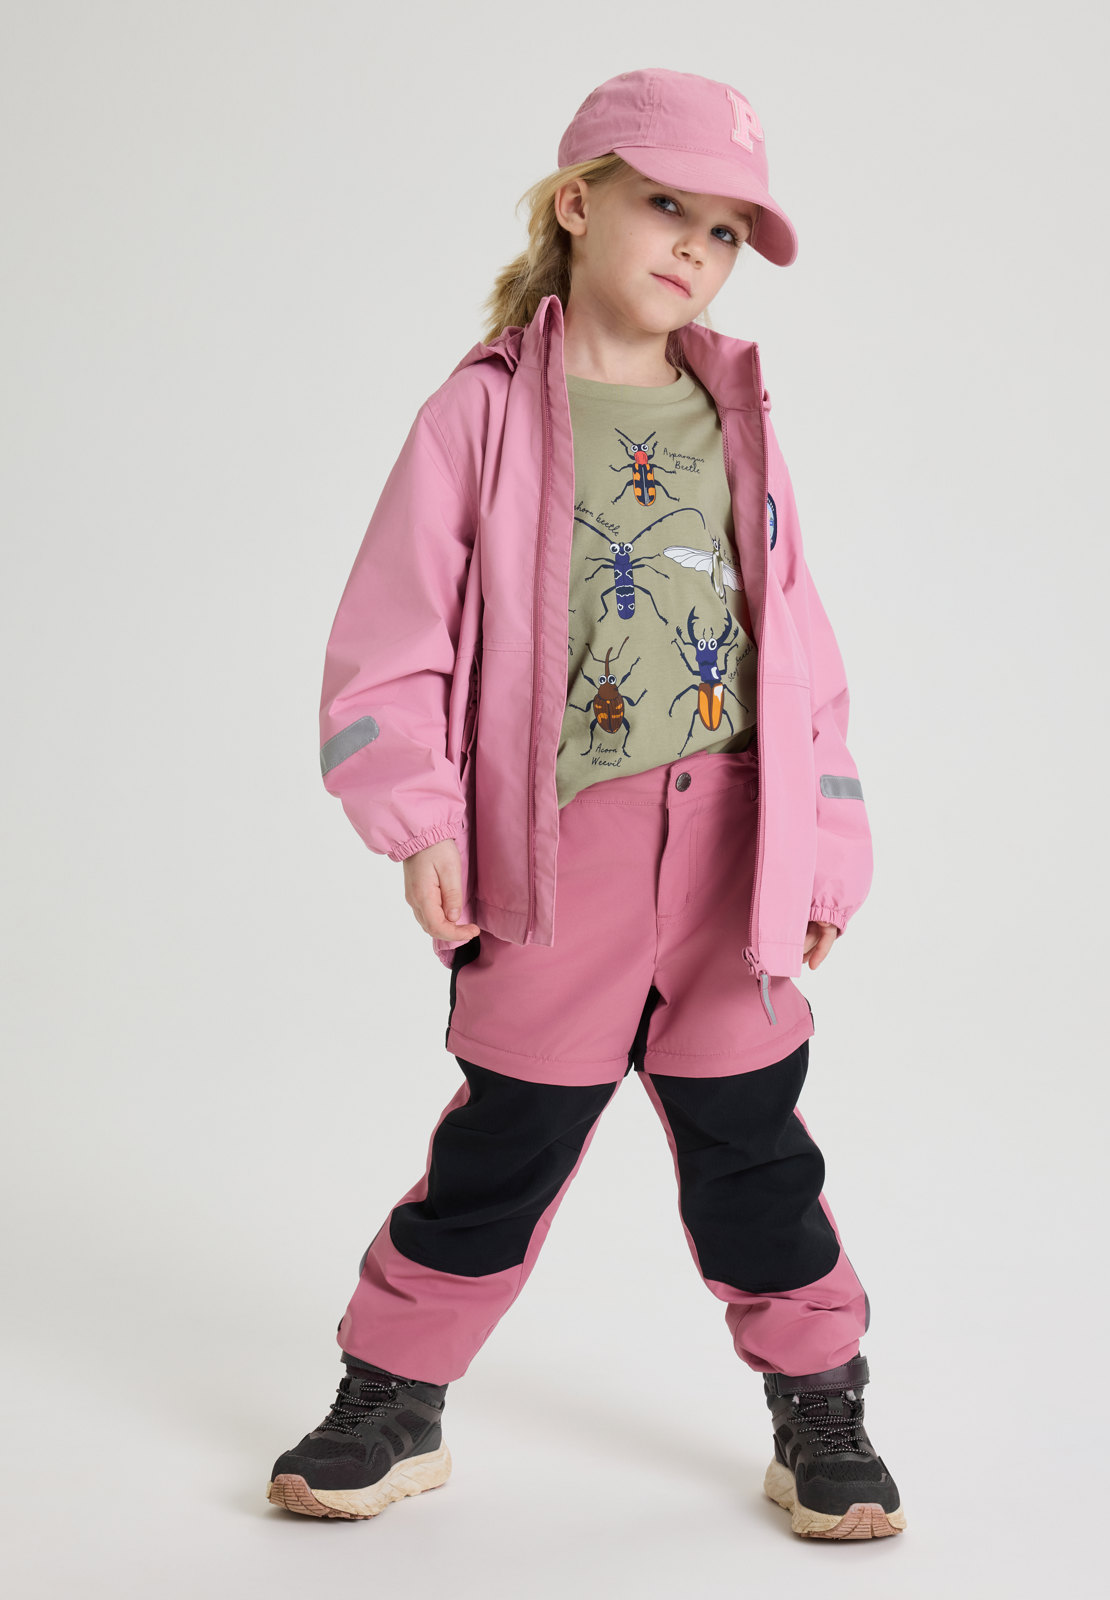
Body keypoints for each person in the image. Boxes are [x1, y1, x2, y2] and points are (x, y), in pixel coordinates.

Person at [267, 67, 906, 1541]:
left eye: (726, 230)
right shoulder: (481, 414)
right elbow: (393, 638)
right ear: (577, 203)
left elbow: (799, 648)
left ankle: (820, 1400)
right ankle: (392, 1394)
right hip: (560, 858)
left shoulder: (737, 414)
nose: (696, 246)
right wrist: (418, 817)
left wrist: (828, 851)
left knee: (755, 1150)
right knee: (507, 1143)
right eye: (666, 204)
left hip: (735, 852)